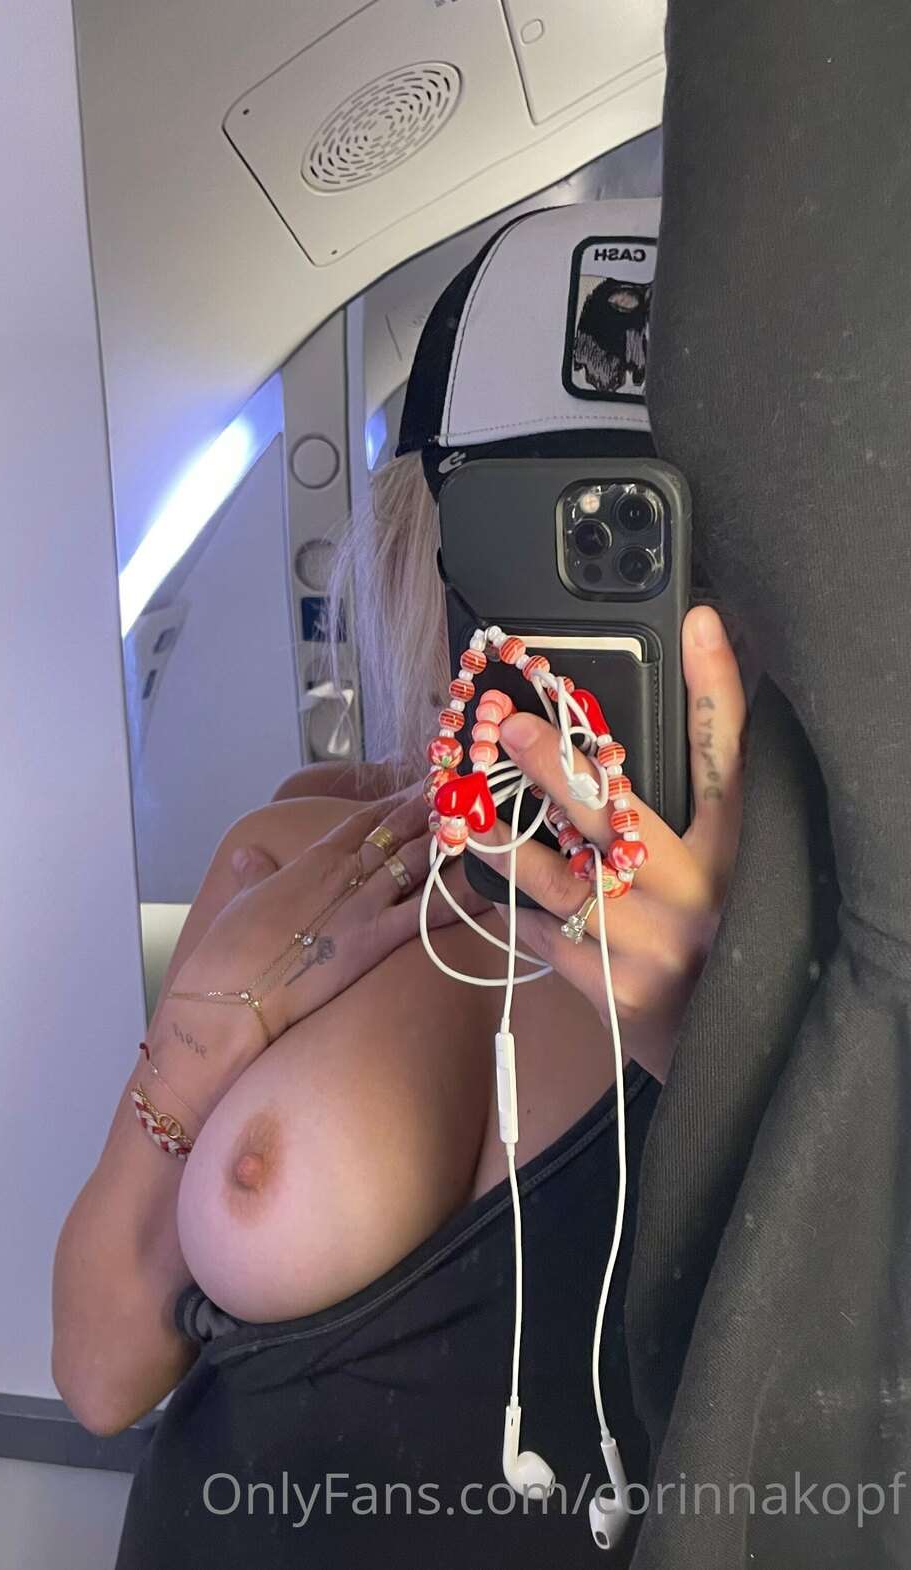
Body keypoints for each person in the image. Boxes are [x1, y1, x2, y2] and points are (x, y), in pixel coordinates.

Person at [51, 186, 751, 1567]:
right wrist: (195, 1046)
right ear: (423, 539)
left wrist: (711, 1034)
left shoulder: (815, 916)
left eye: (636, 540)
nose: (580, 593)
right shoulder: (303, 841)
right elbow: (99, 1373)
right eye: (536, 528)